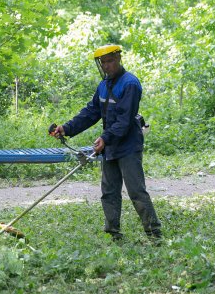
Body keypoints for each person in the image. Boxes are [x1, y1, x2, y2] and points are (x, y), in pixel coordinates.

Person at [52, 44, 162, 243]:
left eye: (110, 61)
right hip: (110, 146)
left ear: (119, 59)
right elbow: (91, 112)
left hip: (128, 146)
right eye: (103, 63)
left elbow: (124, 120)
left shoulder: (130, 84)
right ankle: (114, 235)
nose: (107, 66)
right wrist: (66, 128)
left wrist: (105, 138)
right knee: (109, 192)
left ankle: (154, 233)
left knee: (136, 191)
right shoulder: (103, 85)